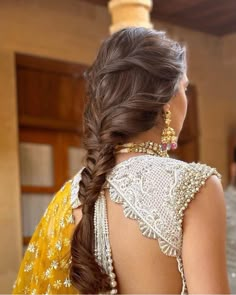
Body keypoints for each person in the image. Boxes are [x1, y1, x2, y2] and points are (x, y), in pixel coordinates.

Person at [12, 27, 230, 295]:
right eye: (184, 88)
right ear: (166, 100)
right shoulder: (195, 186)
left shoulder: (69, 196)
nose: (186, 98)